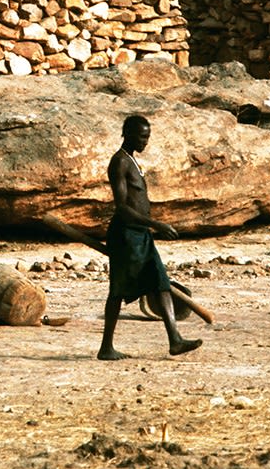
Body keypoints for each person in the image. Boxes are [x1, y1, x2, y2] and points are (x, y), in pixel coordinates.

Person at [98, 114, 203, 360]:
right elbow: (122, 208)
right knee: (118, 291)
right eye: (142, 137)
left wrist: (149, 227)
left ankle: (175, 339)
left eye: (147, 137)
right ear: (128, 135)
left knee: (160, 281)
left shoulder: (132, 161)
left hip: (140, 234)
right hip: (126, 235)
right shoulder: (119, 162)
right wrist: (155, 224)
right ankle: (106, 348)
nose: (145, 142)